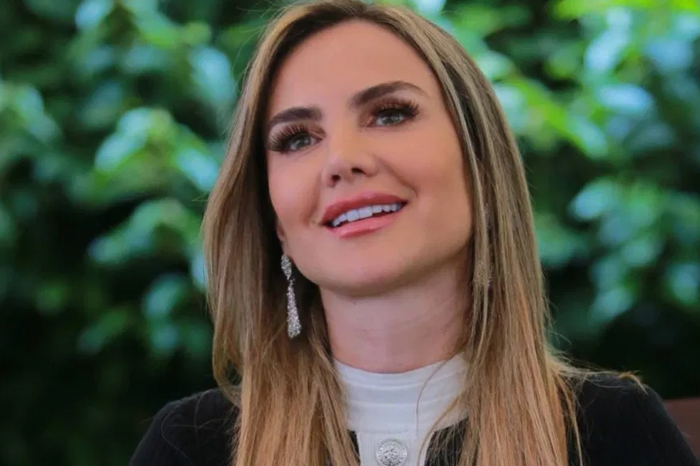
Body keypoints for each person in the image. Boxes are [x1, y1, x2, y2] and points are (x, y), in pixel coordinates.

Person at [129, 1, 699, 465]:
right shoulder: (191, 446)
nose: (341, 159)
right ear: (276, 219)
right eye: (298, 138)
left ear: (480, 165)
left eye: (390, 114)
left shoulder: (614, 432)